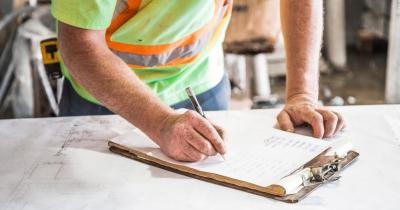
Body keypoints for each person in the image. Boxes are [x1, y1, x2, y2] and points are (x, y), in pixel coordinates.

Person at [52, 0, 345, 162]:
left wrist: (301, 95)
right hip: (107, 99)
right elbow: (80, 45)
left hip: (202, 85)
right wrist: (160, 123)